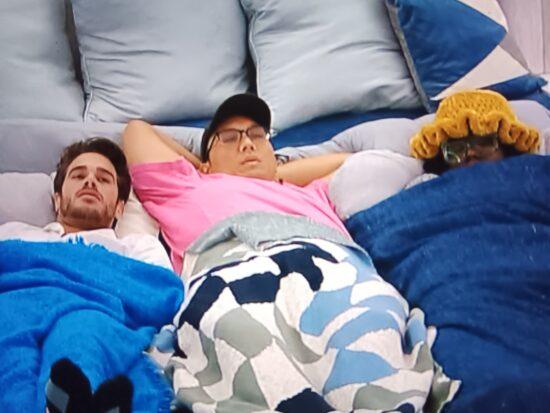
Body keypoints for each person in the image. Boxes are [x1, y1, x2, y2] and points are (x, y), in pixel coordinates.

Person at [123, 94, 458, 412]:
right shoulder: (186, 185)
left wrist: (275, 173)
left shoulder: (314, 192)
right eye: (229, 138)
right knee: (241, 339)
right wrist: (204, 169)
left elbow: (355, 161)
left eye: (257, 135)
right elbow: (137, 131)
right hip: (233, 274)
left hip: (330, 265)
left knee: (371, 327)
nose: (246, 144)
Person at [0, 137, 176, 413]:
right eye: (78, 176)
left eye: (103, 179)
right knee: (9, 349)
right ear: (57, 200)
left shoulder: (137, 247)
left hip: (94, 318)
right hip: (14, 312)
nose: (90, 182)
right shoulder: (13, 234)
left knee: (81, 331)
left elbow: (161, 296)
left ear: (119, 207)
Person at [410, 90, 540, 175]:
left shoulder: (536, 178)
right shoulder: (426, 187)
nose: (471, 153)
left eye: (484, 142)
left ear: (507, 148)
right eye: (456, 149)